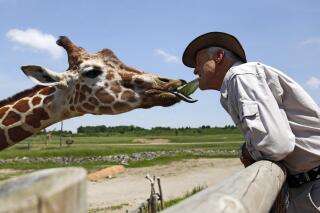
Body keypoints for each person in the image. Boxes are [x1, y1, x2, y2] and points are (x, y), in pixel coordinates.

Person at [182, 32, 320, 213]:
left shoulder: (241, 76)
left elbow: (275, 146)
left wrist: (246, 150)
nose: (194, 70)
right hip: (306, 186)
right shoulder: (235, 84)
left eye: (198, 62)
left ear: (219, 57)